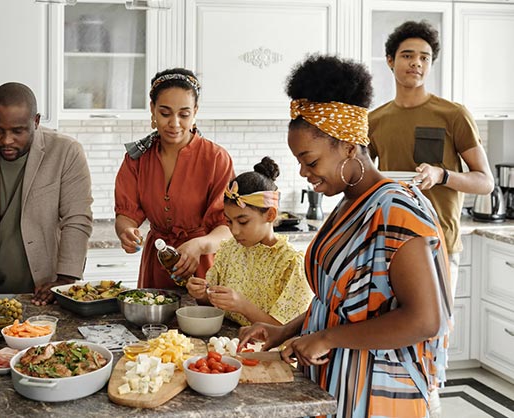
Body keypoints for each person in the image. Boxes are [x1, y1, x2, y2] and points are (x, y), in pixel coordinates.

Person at [239, 55, 452, 418]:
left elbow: (425, 319)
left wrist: (327, 338)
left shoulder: (395, 210)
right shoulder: (348, 202)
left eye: (310, 160)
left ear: (350, 147)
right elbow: (337, 301)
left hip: (379, 391)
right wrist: (284, 331)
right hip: (336, 377)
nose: (304, 172)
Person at [368, 20, 494, 298]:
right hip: (390, 241)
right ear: (390, 61)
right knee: (389, 334)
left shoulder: (453, 115)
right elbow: (363, 178)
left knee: (434, 334)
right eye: (407, 55)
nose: (416, 63)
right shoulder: (374, 120)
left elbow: (486, 182)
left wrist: (442, 175)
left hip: (438, 242)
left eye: (424, 57)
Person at [0, 82, 93, 306]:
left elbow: (77, 219)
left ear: (36, 121)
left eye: (17, 131)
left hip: (47, 292)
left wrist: (65, 280)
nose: (6, 140)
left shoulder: (66, 152)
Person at [115, 68, 234, 289]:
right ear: (152, 110)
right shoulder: (137, 159)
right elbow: (126, 214)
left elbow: (228, 227)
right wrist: (126, 232)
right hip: (156, 263)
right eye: (165, 113)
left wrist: (199, 245)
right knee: (153, 323)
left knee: (201, 321)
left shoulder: (216, 158)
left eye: (184, 114)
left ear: (195, 112)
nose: (174, 123)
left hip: (204, 266)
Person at [186, 156, 313, 327]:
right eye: (229, 221)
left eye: (243, 221)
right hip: (229, 343)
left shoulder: (291, 264)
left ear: (270, 215)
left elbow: (284, 330)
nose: (234, 231)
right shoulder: (230, 249)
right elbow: (212, 304)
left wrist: (242, 306)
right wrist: (201, 294)